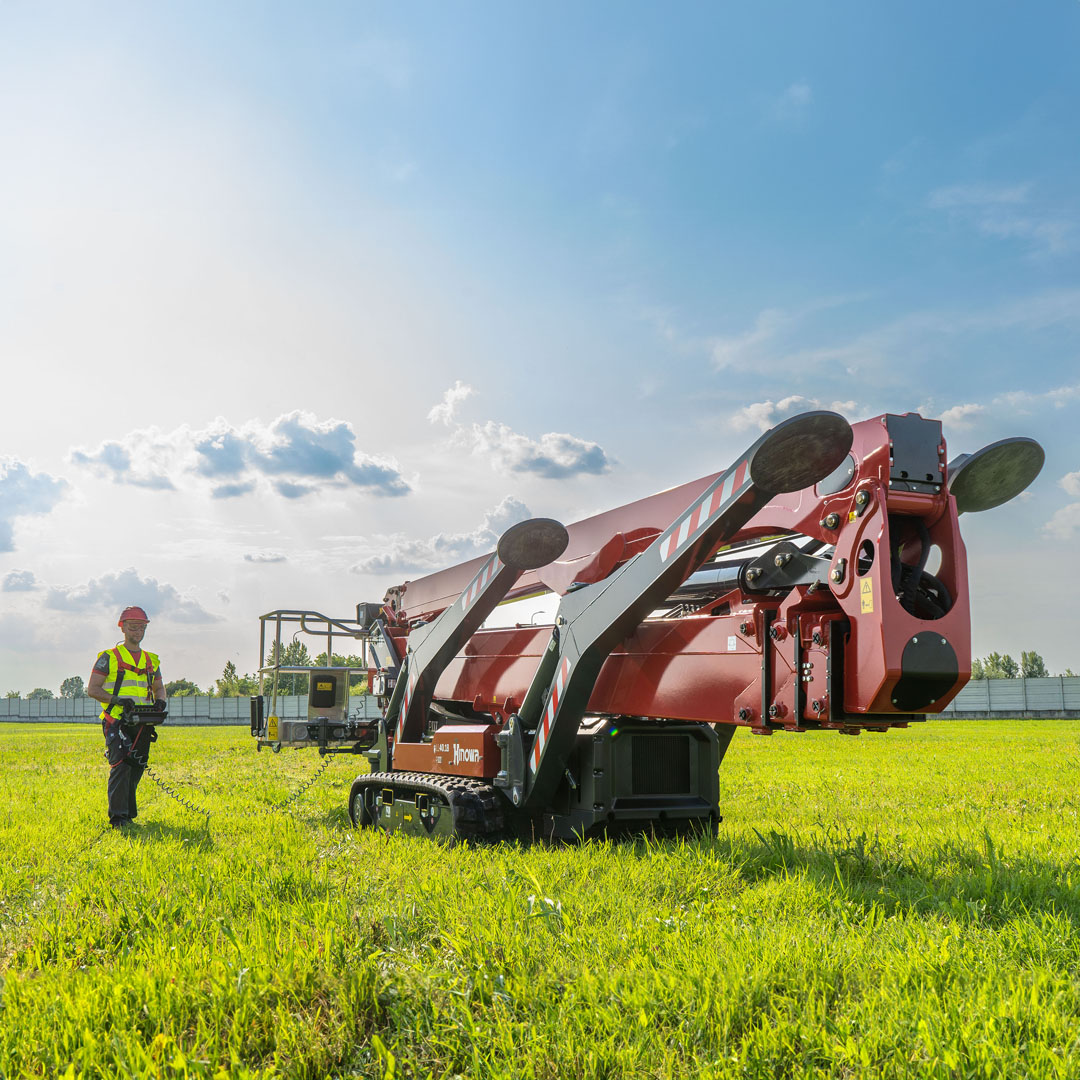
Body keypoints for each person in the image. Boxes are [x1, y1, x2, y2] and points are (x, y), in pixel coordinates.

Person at [87, 605, 167, 828]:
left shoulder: (151, 660)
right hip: (117, 720)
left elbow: (159, 688)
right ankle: (118, 818)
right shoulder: (109, 658)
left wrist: (161, 700)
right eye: (133, 627)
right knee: (121, 765)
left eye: (142, 627)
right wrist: (117, 700)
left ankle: (128, 814)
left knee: (137, 765)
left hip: (143, 721)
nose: (138, 632)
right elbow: (93, 689)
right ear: (122, 628)